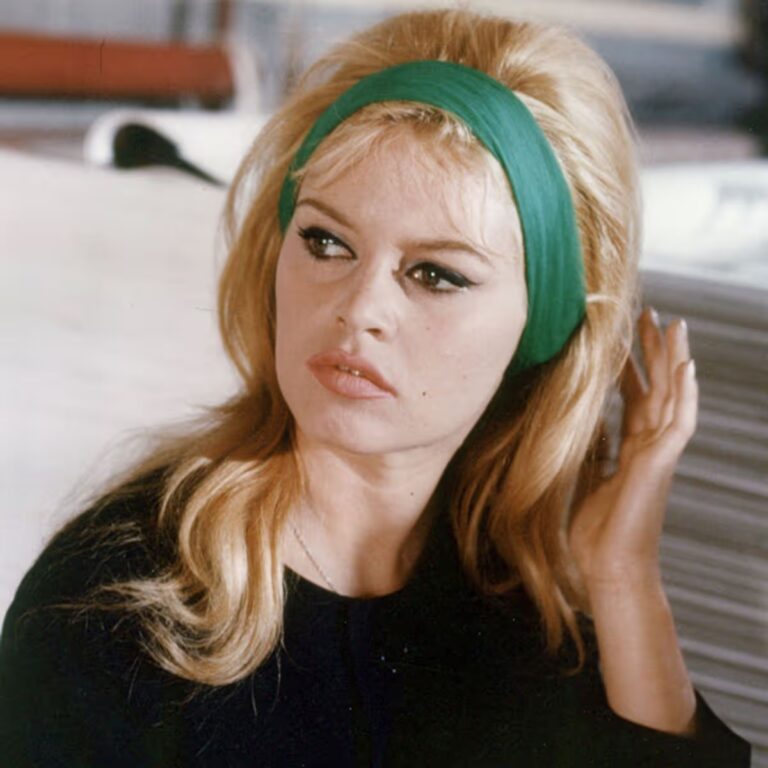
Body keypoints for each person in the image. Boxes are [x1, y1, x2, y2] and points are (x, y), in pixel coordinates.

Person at [0, 8, 751, 767]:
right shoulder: (113, 603)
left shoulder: (534, 626)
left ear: (543, 328)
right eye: (326, 241)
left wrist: (625, 578)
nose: (359, 308)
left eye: (436, 275)